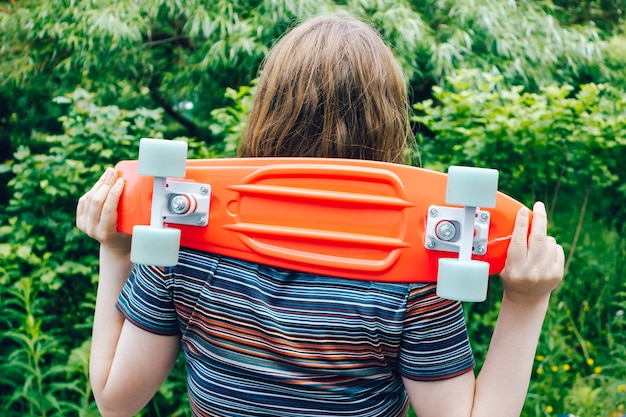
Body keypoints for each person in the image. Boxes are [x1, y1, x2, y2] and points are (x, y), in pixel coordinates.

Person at [76, 15, 565, 417]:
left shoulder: (183, 246)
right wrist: (525, 303)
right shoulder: (414, 275)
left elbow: (115, 400)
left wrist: (115, 251)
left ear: (266, 108)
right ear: (390, 121)